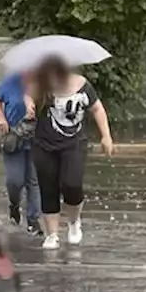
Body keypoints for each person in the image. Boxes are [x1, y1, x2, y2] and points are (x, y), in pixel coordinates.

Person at [31, 56, 114, 251]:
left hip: (74, 143)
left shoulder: (83, 85)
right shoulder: (42, 86)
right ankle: (52, 234)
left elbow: (97, 109)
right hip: (44, 144)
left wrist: (106, 136)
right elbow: (27, 97)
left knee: (72, 183)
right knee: (48, 187)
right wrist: (29, 104)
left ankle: (74, 221)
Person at [0, 71, 43, 235]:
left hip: (37, 139)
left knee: (33, 181)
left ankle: (33, 220)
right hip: (13, 137)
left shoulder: (43, 83)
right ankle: (14, 206)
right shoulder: (11, 81)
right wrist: (1, 118)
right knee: (15, 181)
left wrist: (35, 110)